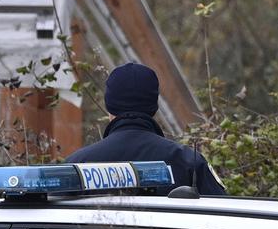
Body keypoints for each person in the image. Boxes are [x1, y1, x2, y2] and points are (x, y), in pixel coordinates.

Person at [66, 63, 226, 195]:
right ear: (154, 107)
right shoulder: (188, 163)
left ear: (109, 107)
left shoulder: (75, 167)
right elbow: (223, 220)